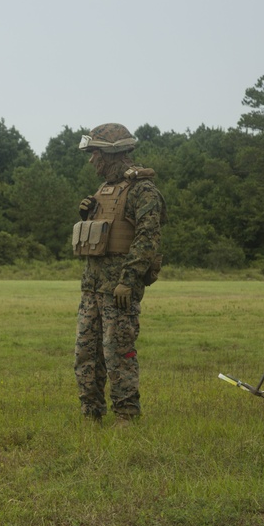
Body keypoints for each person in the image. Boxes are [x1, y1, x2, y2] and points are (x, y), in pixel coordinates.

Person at [72, 123, 167, 424]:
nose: (91, 161)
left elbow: (147, 238)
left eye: (95, 153)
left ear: (112, 154)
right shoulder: (103, 190)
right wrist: (87, 215)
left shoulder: (143, 190)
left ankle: (126, 414)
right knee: (86, 354)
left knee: (119, 352)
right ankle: (91, 413)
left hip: (119, 290)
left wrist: (129, 280)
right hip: (93, 287)